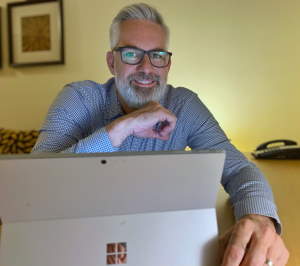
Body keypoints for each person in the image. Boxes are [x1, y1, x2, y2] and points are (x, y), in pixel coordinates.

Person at [32, 3, 289, 265]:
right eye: (132, 54)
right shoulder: (78, 97)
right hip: (78, 243)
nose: (147, 67)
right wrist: (122, 127)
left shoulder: (184, 105)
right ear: (112, 62)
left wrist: (259, 217)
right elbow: (34, 184)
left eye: (158, 55)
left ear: (167, 64)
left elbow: (237, 168)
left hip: (158, 243)